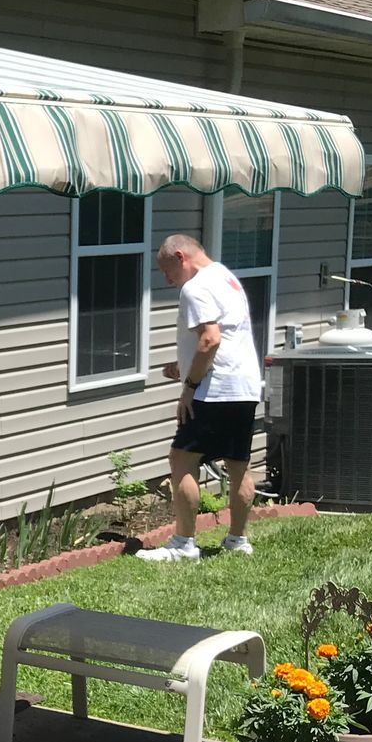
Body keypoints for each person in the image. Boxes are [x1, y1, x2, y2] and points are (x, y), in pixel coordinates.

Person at [138, 232, 262, 562]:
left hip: (213, 390)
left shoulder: (195, 288)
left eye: (167, 271)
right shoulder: (226, 278)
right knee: (238, 465)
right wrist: (184, 366)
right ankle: (238, 540)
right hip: (244, 387)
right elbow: (225, 339)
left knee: (182, 459)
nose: (167, 280)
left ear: (181, 257)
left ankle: (183, 544)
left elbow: (210, 339)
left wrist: (190, 386)